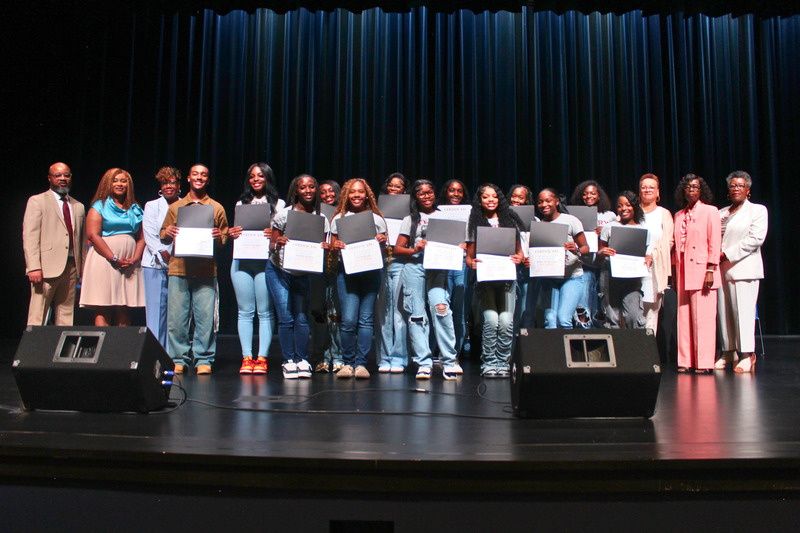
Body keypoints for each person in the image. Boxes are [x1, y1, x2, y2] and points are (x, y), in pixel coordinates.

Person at [160, 164, 228, 375]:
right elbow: (163, 235)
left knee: (205, 318)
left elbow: (225, 238)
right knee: (177, 318)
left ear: (207, 180)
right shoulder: (176, 207)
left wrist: (220, 236)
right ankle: (178, 358)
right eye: (195, 174)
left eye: (204, 175)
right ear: (189, 178)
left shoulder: (216, 207)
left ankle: (204, 358)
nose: (199, 178)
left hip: (206, 270)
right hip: (179, 268)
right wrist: (168, 231)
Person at [394, 179, 461, 380]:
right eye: (421, 193)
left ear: (434, 194)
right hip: (415, 267)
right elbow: (397, 249)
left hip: (438, 269)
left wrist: (461, 247)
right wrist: (415, 249)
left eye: (429, 192)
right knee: (416, 316)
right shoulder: (410, 219)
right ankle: (423, 362)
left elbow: (458, 242)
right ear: (415, 197)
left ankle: (449, 360)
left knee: (441, 309)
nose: (426, 196)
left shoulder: (444, 217)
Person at [267, 174, 330, 378]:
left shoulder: (321, 219)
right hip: (279, 270)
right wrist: (279, 241)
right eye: (303, 188)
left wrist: (325, 248)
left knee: (302, 317)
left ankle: (302, 359)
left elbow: (321, 247)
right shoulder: (284, 215)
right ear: (296, 191)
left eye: (312, 187)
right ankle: (288, 360)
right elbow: (271, 244)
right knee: (286, 317)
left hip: (302, 273)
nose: (308, 191)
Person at [228, 163, 283, 375]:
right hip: (241, 260)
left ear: (268, 177)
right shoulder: (241, 202)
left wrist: (275, 234)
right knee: (245, 311)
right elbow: (236, 231)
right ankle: (246, 357)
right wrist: (233, 232)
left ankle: (262, 358)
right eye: (252, 176)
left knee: (265, 312)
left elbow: (284, 234)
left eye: (260, 175)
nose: (256, 179)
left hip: (266, 261)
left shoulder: (279, 204)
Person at [330, 178, 387, 379]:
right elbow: (332, 246)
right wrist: (334, 246)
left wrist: (382, 241)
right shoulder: (339, 218)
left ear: (367, 195)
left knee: (365, 320)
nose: (356, 195)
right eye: (352, 192)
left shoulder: (377, 219)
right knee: (348, 320)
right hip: (347, 273)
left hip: (371, 273)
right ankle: (347, 363)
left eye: (360, 192)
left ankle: (361, 364)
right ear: (346, 194)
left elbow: (383, 248)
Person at [466, 184, 524, 377]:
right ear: (480, 200)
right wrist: (471, 262)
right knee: (491, 320)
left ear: (500, 199)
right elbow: (469, 256)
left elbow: (519, 252)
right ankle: (489, 362)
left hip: (507, 278)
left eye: (494, 196)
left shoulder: (509, 219)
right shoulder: (475, 221)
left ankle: (504, 362)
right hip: (486, 280)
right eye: (485, 197)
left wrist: (519, 257)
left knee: (506, 321)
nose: (490, 200)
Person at [715, 171, 768, 373]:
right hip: (721, 269)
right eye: (733, 186)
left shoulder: (757, 211)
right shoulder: (720, 213)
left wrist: (725, 254)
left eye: (741, 185)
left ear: (748, 190)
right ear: (728, 191)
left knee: (742, 313)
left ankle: (747, 354)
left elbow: (755, 239)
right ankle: (728, 352)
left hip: (744, 268)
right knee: (724, 313)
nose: (736, 189)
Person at [79, 168, 145, 326]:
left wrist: (135, 257)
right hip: (105, 259)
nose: (119, 184)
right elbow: (93, 235)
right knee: (104, 306)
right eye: (115, 180)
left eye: (123, 180)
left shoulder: (135, 208)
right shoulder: (99, 206)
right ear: (108, 184)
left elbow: (142, 237)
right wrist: (113, 258)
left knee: (124, 306)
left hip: (129, 262)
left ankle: (121, 349)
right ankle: (104, 348)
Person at [23, 162, 86, 326]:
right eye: (58, 176)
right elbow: (30, 237)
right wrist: (33, 267)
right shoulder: (37, 201)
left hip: (72, 266)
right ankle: (34, 349)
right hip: (45, 267)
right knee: (39, 313)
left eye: (66, 175)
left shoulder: (78, 206)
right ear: (50, 178)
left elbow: (82, 241)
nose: (63, 179)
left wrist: (83, 269)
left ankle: (61, 349)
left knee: (66, 313)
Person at [673, 174, 721, 374]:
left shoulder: (710, 211)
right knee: (683, 317)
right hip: (683, 269)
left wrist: (711, 269)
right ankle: (685, 360)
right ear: (683, 191)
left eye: (695, 187)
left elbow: (714, 241)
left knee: (704, 318)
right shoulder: (678, 215)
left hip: (703, 271)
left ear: (701, 191)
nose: (691, 190)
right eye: (688, 187)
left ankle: (704, 362)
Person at [535, 188, 590, 329]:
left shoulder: (571, 220)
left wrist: (576, 249)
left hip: (572, 277)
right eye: (540, 202)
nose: (544, 205)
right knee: (550, 321)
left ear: (557, 202)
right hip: (550, 279)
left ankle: (567, 351)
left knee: (564, 319)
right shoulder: (540, 225)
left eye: (548, 200)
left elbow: (585, 248)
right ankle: (553, 351)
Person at [596, 191, 651, 329]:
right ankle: (613, 349)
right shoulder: (609, 227)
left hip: (632, 278)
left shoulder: (642, 230)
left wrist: (649, 258)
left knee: (634, 316)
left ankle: (635, 350)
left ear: (634, 206)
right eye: (620, 206)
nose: (623, 208)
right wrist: (602, 252)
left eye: (628, 205)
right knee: (612, 318)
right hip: (610, 275)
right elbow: (599, 252)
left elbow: (646, 254)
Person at [142, 167, 181, 348]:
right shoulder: (152, 205)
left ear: (179, 185)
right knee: (156, 313)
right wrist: (161, 252)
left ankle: (171, 355)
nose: (168, 186)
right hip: (155, 264)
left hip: (179, 264)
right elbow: (149, 233)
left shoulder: (186, 205)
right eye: (165, 183)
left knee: (176, 313)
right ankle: (154, 354)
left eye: (172, 182)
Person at [569, 180, 616, 327]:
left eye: (592, 193)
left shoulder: (610, 216)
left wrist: (605, 231)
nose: (589, 196)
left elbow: (617, 237)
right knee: (584, 300)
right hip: (585, 262)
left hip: (604, 263)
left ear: (599, 196)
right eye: (585, 194)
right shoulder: (575, 215)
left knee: (602, 301)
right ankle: (585, 328)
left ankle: (600, 329)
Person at [377, 172, 410, 373]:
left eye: (398, 186)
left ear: (404, 190)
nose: (394, 188)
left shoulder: (410, 211)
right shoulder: (377, 209)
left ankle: (399, 358)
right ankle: (384, 357)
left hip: (400, 261)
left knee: (399, 312)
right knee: (383, 312)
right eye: (391, 185)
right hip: (380, 260)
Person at [311, 179, 344, 373]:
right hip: (317, 268)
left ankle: (337, 355)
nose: (327, 195)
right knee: (318, 312)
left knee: (336, 313)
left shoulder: (346, 215)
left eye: (331, 191)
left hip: (339, 268)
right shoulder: (313, 215)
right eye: (322, 192)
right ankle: (320, 356)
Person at [437, 179, 472, 359]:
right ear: (446, 192)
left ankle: (454, 354)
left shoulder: (470, 213)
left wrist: (468, 244)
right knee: (442, 307)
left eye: (459, 191)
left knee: (459, 309)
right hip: (442, 260)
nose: (456, 194)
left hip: (461, 261)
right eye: (452, 190)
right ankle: (441, 351)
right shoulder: (437, 212)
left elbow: (475, 235)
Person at [638, 173, 674, 334]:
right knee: (630, 312)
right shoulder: (630, 211)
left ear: (658, 192)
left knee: (651, 313)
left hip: (654, 269)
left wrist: (653, 255)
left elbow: (669, 241)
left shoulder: (663, 214)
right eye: (644, 187)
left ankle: (647, 355)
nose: (647, 190)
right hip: (631, 269)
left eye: (651, 187)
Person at [507, 184, 538, 332]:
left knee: (527, 312)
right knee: (511, 314)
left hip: (527, 269)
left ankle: (528, 351)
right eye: (513, 196)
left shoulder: (536, 221)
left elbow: (539, 244)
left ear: (527, 200)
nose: (516, 200)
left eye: (520, 197)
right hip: (509, 268)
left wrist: (532, 259)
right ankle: (510, 352)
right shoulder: (502, 218)